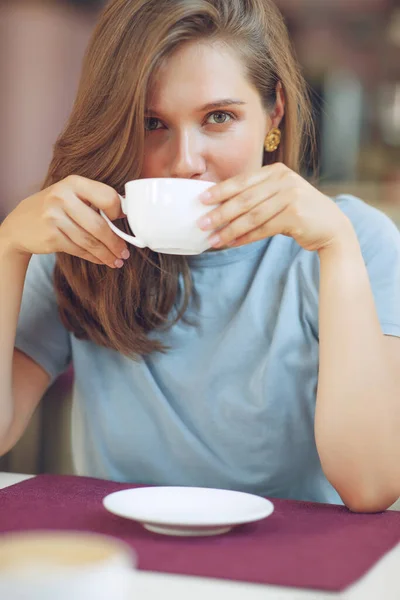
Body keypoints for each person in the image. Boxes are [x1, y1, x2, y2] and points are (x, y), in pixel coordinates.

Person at [0, 0, 399, 513]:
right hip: (130, 566)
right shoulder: (84, 245)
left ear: (273, 112)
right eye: (152, 122)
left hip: (292, 570)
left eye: (219, 117)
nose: (185, 162)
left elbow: (371, 486)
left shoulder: (356, 241)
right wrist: (9, 249)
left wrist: (337, 252)